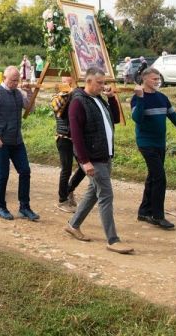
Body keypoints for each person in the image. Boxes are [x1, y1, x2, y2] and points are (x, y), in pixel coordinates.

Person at [63, 67, 133, 254]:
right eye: (99, 83)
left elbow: (115, 120)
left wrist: (111, 98)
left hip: (104, 155)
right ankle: (113, 239)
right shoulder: (78, 102)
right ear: (88, 81)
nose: (103, 86)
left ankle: (73, 224)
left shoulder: (98, 100)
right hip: (93, 159)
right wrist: (84, 161)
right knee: (106, 195)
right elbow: (76, 135)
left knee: (94, 192)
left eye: (104, 82)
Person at [132, 68, 176, 229]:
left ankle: (143, 211)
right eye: (154, 79)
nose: (157, 81)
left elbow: (175, 118)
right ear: (145, 80)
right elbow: (137, 119)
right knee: (160, 178)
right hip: (146, 143)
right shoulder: (137, 98)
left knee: (152, 176)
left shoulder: (162, 98)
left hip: (160, 144)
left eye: (158, 78)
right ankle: (157, 216)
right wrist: (141, 98)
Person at [0, 66, 38, 221]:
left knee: (25, 171)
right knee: (3, 174)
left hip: (16, 140)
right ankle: (0, 207)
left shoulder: (18, 93)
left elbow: (30, 108)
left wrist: (29, 92)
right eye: (13, 80)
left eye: (17, 80)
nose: (15, 83)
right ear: (5, 78)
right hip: (0, 141)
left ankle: (24, 207)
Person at [52, 85, 85, 213]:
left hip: (77, 139)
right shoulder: (57, 98)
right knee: (66, 169)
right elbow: (57, 106)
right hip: (63, 137)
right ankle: (62, 200)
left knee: (84, 167)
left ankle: (69, 189)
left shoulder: (80, 97)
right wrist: (69, 93)